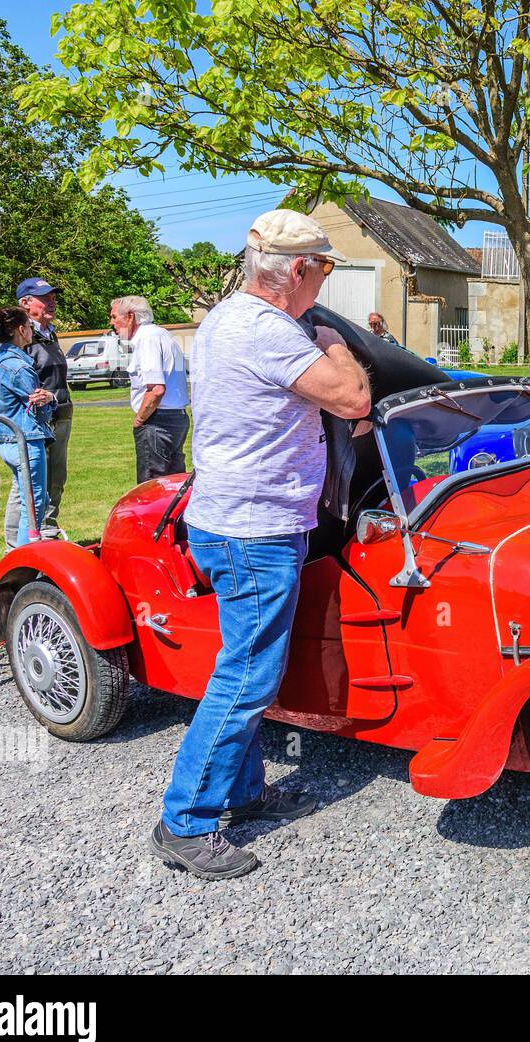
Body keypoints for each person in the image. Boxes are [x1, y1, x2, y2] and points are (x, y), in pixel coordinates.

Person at [151, 209, 371, 880]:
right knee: (247, 677)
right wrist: (334, 340)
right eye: (324, 269)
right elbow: (353, 397)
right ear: (298, 271)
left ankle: (242, 790)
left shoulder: (224, 318)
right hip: (256, 527)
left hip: (234, 517)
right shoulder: (271, 331)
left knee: (239, 662)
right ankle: (184, 820)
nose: (324, 284)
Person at [3, 278, 71, 545]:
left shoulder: (49, 332)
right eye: (44, 297)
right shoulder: (18, 336)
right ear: (25, 303)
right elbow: (17, 379)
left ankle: (46, 531)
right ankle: (15, 546)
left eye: (53, 296)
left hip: (61, 414)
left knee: (55, 480)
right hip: (34, 423)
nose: (52, 301)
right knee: (28, 485)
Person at [0, 307, 57, 546]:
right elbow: (39, 409)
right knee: (34, 507)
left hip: (8, 440)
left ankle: (14, 551)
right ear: (20, 329)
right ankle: (26, 563)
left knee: (25, 499)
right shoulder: (20, 367)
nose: (32, 331)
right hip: (26, 441)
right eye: (29, 325)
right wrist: (51, 399)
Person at [110, 296, 191, 484]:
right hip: (175, 418)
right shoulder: (162, 334)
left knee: (152, 487)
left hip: (158, 422)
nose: (112, 323)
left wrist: (139, 419)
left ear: (130, 317)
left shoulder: (147, 339)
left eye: (114, 317)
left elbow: (156, 389)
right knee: (173, 486)